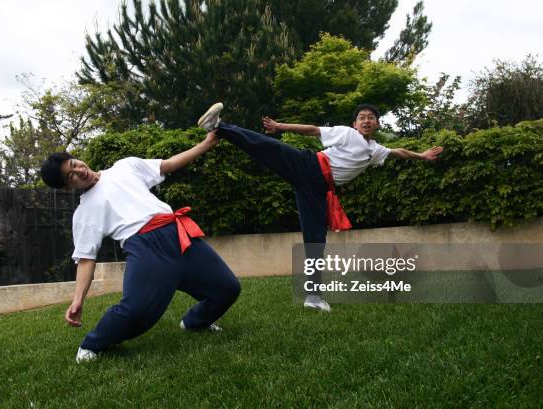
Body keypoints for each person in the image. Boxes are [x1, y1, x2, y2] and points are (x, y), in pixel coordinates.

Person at [198, 102, 442, 312]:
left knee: (315, 240)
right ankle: (219, 126)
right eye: (362, 118)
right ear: (355, 123)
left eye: (371, 118)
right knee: (267, 148)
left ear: (377, 124)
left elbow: (398, 151)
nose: (366, 121)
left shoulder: (375, 150)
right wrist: (281, 127)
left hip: (316, 190)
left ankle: (313, 297)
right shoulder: (348, 134)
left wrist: (421, 155)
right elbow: (315, 130)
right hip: (309, 166)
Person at [40, 132, 240, 363]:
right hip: (146, 249)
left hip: (179, 233)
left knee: (227, 288)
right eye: (71, 176)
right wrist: (78, 301)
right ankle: (91, 345)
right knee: (135, 310)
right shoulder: (84, 213)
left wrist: (205, 144)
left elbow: (167, 165)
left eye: (74, 164)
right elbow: (86, 260)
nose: (79, 171)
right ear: (66, 188)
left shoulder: (125, 166)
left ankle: (195, 322)